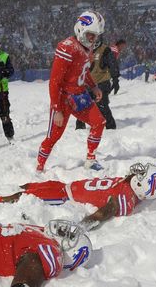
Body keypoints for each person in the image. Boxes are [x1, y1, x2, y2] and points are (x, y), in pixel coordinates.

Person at [0, 162, 156, 231]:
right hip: (64, 187)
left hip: (63, 197)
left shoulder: (123, 200)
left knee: (20, 196)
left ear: (143, 185)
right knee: (27, 186)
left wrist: (78, 228)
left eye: (141, 175)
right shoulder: (133, 190)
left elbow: (101, 215)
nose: (137, 172)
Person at [36, 11, 106, 173]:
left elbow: (83, 70)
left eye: (95, 36)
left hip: (80, 95)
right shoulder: (67, 47)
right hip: (63, 98)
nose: (93, 39)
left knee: (99, 122)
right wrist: (57, 108)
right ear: (80, 30)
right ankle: (39, 167)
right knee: (53, 137)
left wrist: (93, 86)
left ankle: (90, 159)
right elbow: (55, 81)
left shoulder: (85, 48)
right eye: (90, 35)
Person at [75, 37, 120, 130]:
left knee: (102, 104)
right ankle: (80, 128)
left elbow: (113, 64)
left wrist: (115, 79)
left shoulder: (105, 50)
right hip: (86, 83)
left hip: (102, 81)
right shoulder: (83, 49)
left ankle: (111, 127)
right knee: (82, 105)